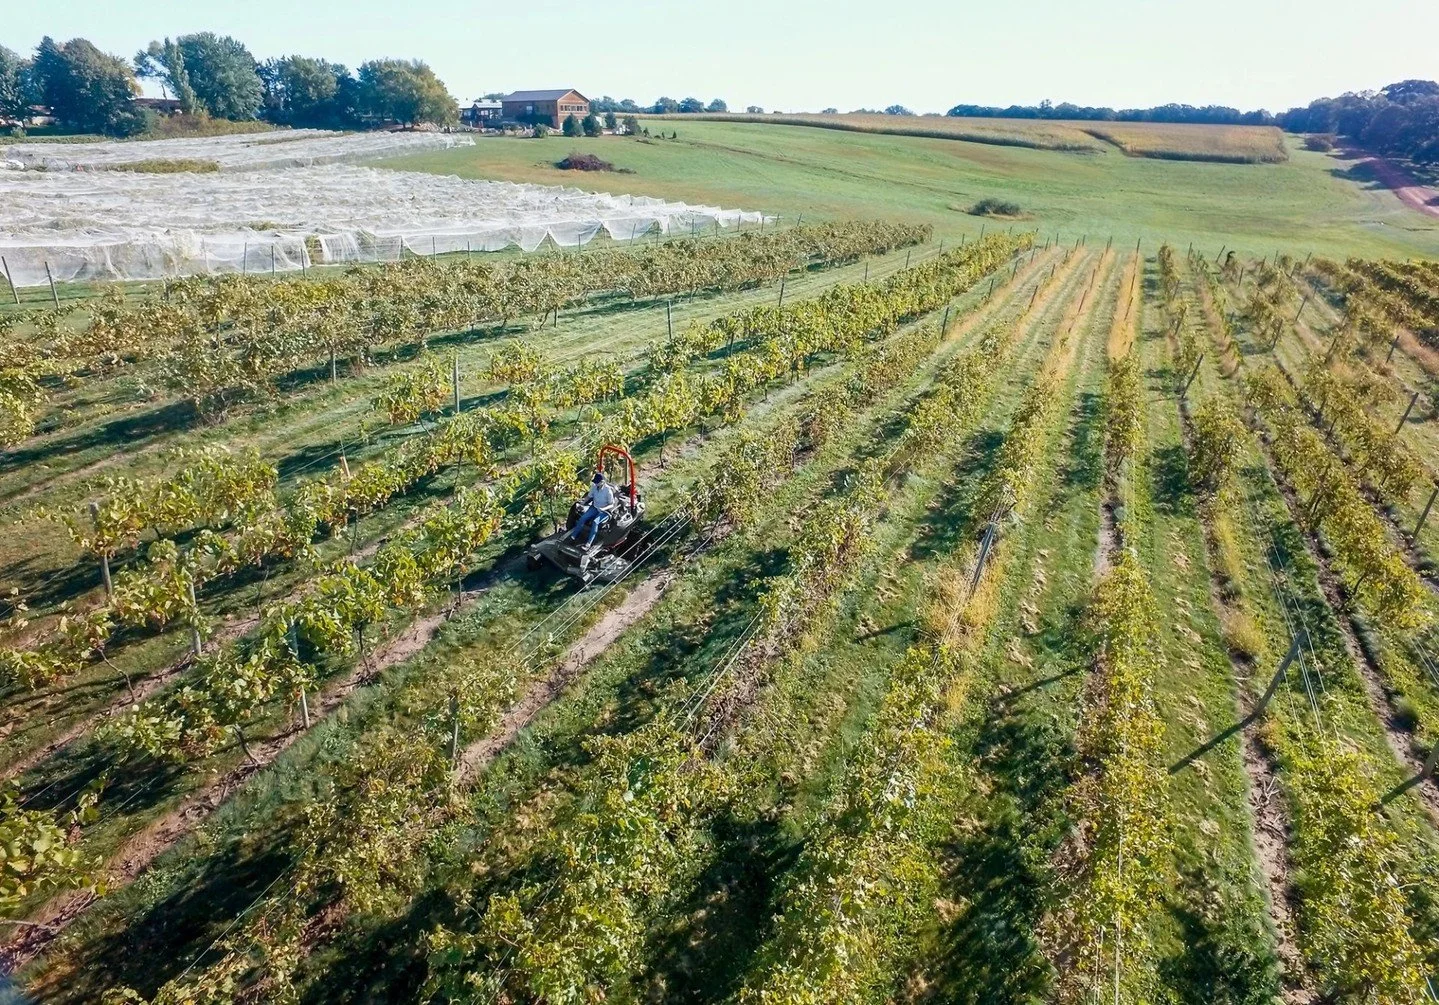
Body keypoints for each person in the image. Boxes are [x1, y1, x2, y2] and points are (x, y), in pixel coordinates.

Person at [568, 470, 617, 548]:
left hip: (605, 511)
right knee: (583, 518)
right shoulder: (594, 487)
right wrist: (583, 502)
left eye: (597, 482)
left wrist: (604, 509)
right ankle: (573, 536)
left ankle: (588, 543)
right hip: (595, 507)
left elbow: (611, 504)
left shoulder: (608, 491)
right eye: (595, 482)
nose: (596, 483)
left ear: (602, 482)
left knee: (595, 522)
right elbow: (589, 496)